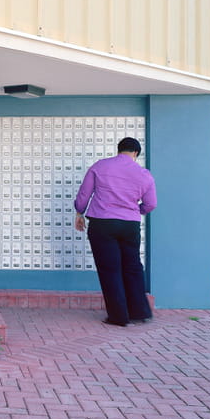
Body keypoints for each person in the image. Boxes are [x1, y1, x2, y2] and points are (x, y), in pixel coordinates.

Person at [74, 137, 156, 327]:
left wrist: (79, 212)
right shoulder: (144, 174)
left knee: (110, 269)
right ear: (136, 153)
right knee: (133, 267)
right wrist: (136, 211)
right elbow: (151, 203)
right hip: (130, 225)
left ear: (119, 150)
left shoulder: (100, 166)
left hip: (102, 223)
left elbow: (84, 195)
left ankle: (118, 316)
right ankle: (139, 312)